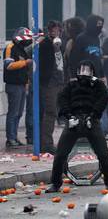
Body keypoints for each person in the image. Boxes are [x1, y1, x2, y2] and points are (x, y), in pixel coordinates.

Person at [46, 60, 108, 192]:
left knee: (103, 153)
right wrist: (69, 116)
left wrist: (93, 115)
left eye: (87, 70)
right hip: (73, 121)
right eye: (81, 70)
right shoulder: (71, 85)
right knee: (60, 154)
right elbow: (62, 99)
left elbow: (103, 99)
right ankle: (55, 183)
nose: (84, 73)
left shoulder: (98, 84)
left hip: (91, 120)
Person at [3, 27, 33, 147]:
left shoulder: (22, 49)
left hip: (21, 85)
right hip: (13, 85)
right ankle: (11, 138)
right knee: (13, 113)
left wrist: (26, 84)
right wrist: (25, 62)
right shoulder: (10, 48)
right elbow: (9, 65)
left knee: (19, 113)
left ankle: (14, 137)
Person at [39, 20, 65, 154]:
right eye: (53, 29)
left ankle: (49, 142)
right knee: (50, 112)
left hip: (60, 81)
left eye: (58, 29)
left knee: (58, 112)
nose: (56, 32)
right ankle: (46, 144)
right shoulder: (44, 44)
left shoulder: (61, 43)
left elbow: (62, 62)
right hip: (49, 83)